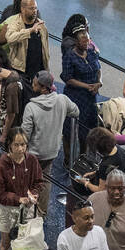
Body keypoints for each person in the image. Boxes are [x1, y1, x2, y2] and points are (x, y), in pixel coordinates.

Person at [22, 70, 79, 215]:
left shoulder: (31, 107)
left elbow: (25, 134)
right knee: (45, 180)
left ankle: (26, 214)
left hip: (33, 153)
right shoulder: (62, 100)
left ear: (43, 88)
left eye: (35, 84)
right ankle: (41, 213)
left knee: (28, 180)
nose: (32, 85)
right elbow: (76, 111)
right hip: (52, 151)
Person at [0, 128, 44, 250]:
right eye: (17, 145)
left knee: (26, 240)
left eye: (23, 144)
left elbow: (39, 182)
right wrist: (18, 199)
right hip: (7, 210)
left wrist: (34, 194)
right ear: (9, 144)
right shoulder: (2, 164)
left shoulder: (32, 160)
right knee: (6, 242)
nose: (21, 148)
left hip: (27, 209)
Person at [61, 24, 102, 141]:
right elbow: (68, 78)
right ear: (76, 42)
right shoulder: (69, 56)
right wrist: (87, 86)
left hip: (90, 98)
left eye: (88, 41)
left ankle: (83, 156)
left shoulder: (91, 52)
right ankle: (67, 158)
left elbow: (98, 69)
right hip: (75, 97)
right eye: (83, 42)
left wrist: (99, 82)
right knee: (70, 131)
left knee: (89, 130)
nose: (86, 44)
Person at [5, 0, 50, 80]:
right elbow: (10, 39)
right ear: (22, 9)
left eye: (36, 8)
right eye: (31, 8)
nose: (34, 11)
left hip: (38, 70)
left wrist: (46, 68)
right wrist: (30, 31)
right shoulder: (15, 23)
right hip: (21, 70)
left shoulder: (41, 25)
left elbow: (46, 48)